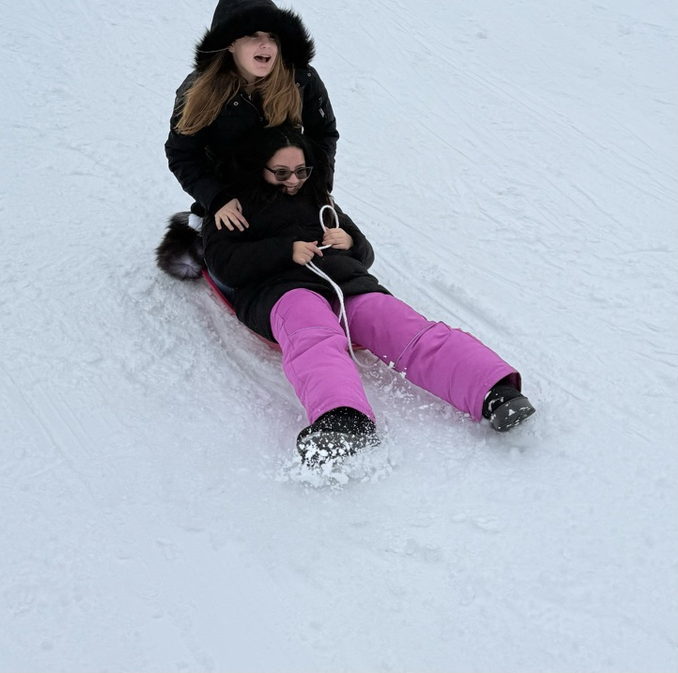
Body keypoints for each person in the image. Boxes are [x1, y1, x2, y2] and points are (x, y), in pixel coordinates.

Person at [202, 125, 536, 467]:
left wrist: (350, 242)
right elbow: (223, 264)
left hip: (345, 283)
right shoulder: (234, 206)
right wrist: (284, 251)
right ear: (260, 167)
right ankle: (343, 418)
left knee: (403, 327)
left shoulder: (319, 197)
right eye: (282, 173)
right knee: (314, 334)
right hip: (281, 290)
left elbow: (363, 251)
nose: (293, 181)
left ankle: (493, 391)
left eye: (301, 171)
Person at [156, 0, 339, 280]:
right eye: (253, 36)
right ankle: (203, 231)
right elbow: (182, 154)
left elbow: (323, 134)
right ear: (230, 44)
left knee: (335, 240)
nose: (264, 45)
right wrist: (215, 199)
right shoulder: (199, 91)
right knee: (232, 250)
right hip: (231, 190)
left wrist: (318, 185)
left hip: (284, 181)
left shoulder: (300, 79)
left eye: (271, 37)